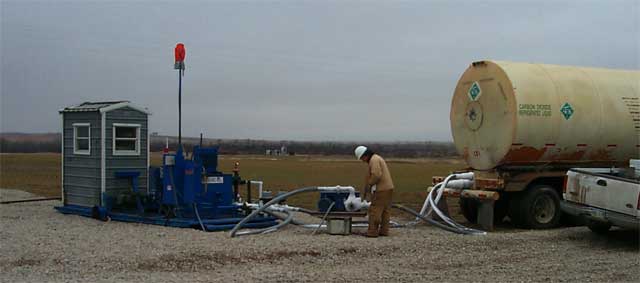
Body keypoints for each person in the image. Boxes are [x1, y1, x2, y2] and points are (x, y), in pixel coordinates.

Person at [354, 145, 394, 237]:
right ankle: (384, 231)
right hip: (388, 188)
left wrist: (370, 184)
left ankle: (372, 232)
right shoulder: (377, 158)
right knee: (385, 211)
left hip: (381, 189)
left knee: (375, 210)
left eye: (362, 158)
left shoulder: (374, 160)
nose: (362, 160)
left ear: (365, 155)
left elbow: (376, 174)